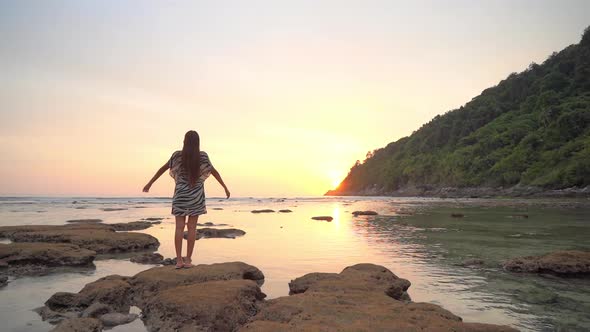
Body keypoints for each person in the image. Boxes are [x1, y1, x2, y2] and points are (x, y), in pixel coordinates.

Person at [143, 130, 230, 269]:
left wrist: (150, 183)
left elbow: (163, 169)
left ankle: (178, 261)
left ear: (184, 141)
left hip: (180, 195)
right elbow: (214, 172)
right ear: (198, 142)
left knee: (179, 227)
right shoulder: (202, 156)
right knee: (192, 228)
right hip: (196, 195)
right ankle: (188, 260)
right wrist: (225, 187)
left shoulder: (177, 155)